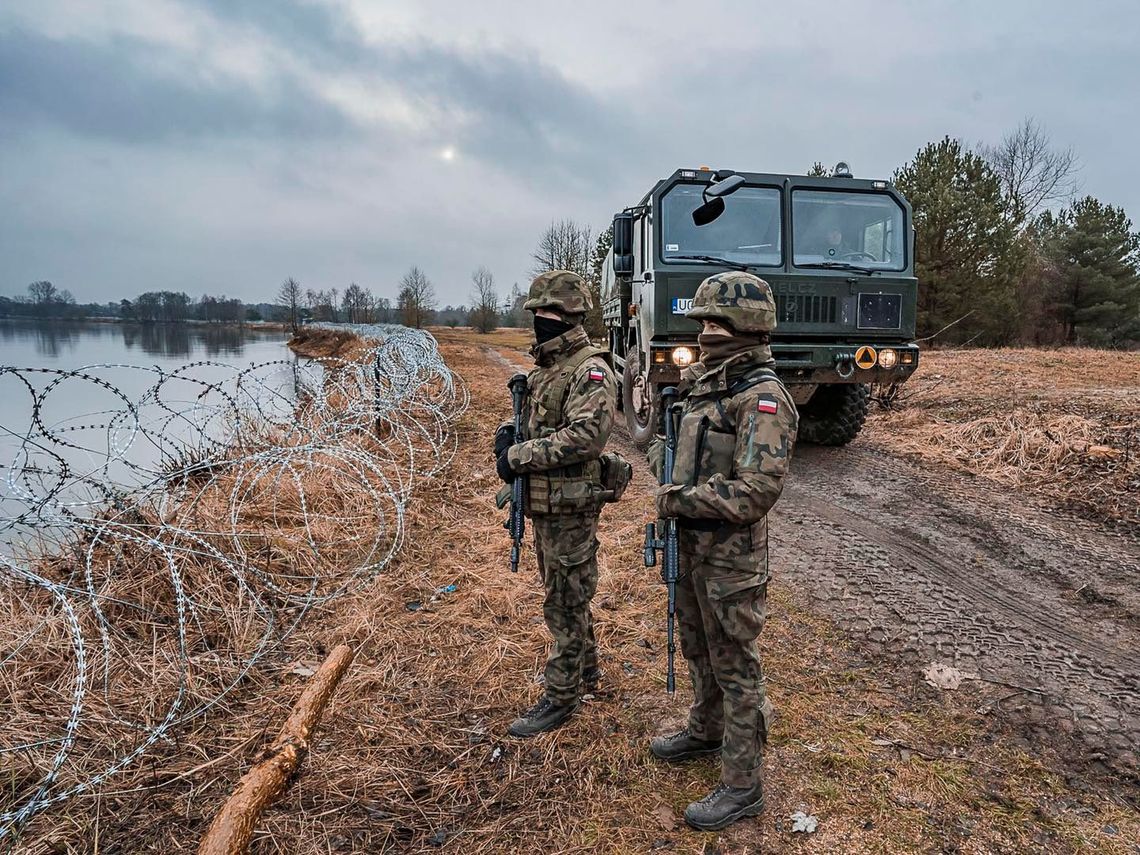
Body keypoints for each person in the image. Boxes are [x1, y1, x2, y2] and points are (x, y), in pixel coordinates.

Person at [646, 271, 798, 831]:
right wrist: (661, 438)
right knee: (697, 648)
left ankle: (743, 784)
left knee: (736, 666)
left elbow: (758, 491)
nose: (705, 332)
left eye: (715, 322)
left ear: (744, 327)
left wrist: (679, 500)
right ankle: (705, 730)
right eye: (702, 322)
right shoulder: (703, 387)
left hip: (731, 560)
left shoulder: (761, 399)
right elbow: (664, 454)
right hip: (691, 549)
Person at [494, 269, 617, 738]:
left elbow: (586, 436)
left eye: (547, 313)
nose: (539, 320)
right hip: (547, 503)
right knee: (566, 593)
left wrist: (519, 456)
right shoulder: (546, 369)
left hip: (570, 504)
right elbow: (539, 426)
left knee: (564, 601)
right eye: (536, 313)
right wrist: (509, 435)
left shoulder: (590, 368)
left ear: (569, 317)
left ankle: (561, 695)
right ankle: (583, 672)